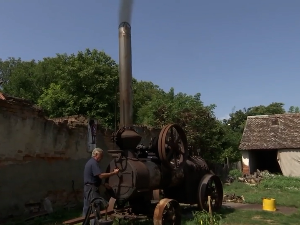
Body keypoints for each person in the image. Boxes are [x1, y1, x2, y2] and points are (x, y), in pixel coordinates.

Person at [82, 148, 119, 218]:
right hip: (92, 189)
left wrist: (103, 185)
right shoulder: (94, 163)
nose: (102, 158)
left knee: (87, 208)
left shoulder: (90, 162)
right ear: (96, 154)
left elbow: (94, 177)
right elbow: (101, 175)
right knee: (95, 205)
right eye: (101, 156)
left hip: (87, 188)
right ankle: (95, 223)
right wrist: (114, 173)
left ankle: (85, 222)